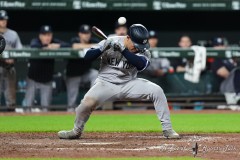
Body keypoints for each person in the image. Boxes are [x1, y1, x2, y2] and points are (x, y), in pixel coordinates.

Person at [58, 24, 180, 139]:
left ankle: (168, 129)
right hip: (105, 83)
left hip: (129, 83)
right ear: (128, 38)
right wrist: (103, 47)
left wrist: (123, 50)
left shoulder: (143, 50)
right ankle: (76, 131)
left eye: (140, 46)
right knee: (84, 105)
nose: (138, 48)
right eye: (135, 45)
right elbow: (87, 57)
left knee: (157, 91)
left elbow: (141, 65)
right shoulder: (110, 41)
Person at [24, 25, 69, 112]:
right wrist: (47, 48)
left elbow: (68, 45)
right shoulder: (35, 41)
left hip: (47, 80)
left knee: (46, 109)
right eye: (44, 35)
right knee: (28, 107)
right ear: (40, 36)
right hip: (33, 80)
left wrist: (58, 46)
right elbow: (34, 45)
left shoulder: (53, 42)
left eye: (49, 35)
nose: (47, 37)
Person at [66, 24, 98, 111]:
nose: (87, 35)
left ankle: (91, 104)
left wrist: (91, 46)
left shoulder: (92, 40)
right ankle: (70, 111)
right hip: (73, 74)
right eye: (84, 33)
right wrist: (90, 46)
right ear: (80, 34)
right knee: (71, 103)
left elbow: (99, 44)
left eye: (88, 33)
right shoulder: (74, 40)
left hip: (85, 73)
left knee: (95, 74)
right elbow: (74, 46)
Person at [0, 10, 22, 111]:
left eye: (5, 19)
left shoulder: (13, 34)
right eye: (1, 19)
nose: (3, 21)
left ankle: (11, 113)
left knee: (11, 97)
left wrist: (13, 57)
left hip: (10, 67)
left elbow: (20, 50)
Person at [211, 37, 240, 109]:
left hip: (234, 85)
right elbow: (224, 74)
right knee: (237, 71)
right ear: (214, 48)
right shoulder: (216, 60)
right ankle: (236, 95)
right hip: (225, 87)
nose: (220, 47)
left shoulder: (229, 59)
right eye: (217, 46)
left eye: (222, 45)